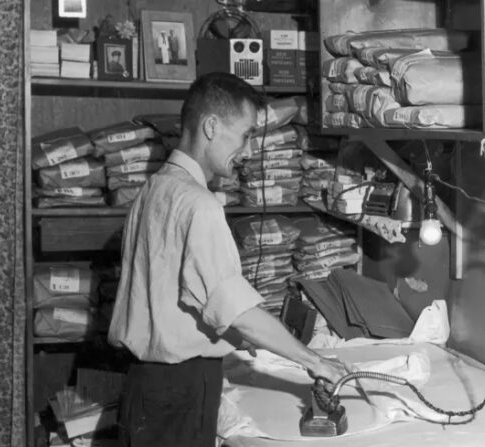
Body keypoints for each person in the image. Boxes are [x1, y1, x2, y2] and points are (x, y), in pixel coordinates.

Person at [108, 72, 350, 447]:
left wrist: (238, 335)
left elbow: (173, 289)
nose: (249, 151)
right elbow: (234, 308)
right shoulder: (199, 205)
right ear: (211, 127)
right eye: (246, 134)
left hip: (146, 387)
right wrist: (316, 362)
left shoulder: (153, 190)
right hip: (180, 392)